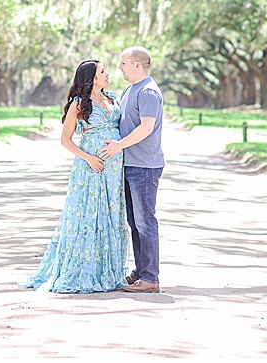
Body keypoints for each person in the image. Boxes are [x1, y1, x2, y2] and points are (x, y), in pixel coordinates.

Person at [18, 60, 129, 293]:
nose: (108, 74)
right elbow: (65, 140)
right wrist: (88, 158)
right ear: (91, 77)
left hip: (114, 170)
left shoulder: (113, 98)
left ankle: (108, 270)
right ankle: (84, 269)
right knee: (89, 213)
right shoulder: (79, 104)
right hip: (90, 168)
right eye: (102, 71)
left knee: (110, 212)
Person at [98, 46, 164, 293]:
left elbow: (146, 128)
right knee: (134, 222)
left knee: (145, 222)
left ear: (137, 65)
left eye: (123, 63)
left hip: (145, 166)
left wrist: (117, 146)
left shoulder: (148, 91)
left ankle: (150, 278)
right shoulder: (129, 89)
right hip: (129, 164)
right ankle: (140, 271)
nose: (119, 68)